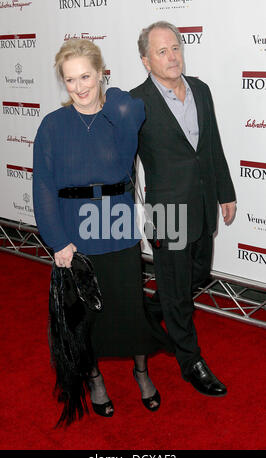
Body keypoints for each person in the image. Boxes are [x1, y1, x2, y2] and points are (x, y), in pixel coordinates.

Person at [33, 38, 161, 421]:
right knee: (83, 317)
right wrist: (58, 241)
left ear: (101, 73)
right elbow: (43, 187)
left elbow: (134, 108)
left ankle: (141, 371)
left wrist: (112, 92)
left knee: (130, 309)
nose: (79, 87)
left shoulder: (119, 115)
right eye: (70, 80)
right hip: (74, 236)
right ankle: (94, 378)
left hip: (119, 229)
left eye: (86, 76)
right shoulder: (52, 126)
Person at [130, 21, 236, 397]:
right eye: (161, 51)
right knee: (177, 293)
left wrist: (226, 192)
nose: (172, 56)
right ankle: (190, 361)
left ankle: (148, 316)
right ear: (146, 60)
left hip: (204, 205)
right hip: (166, 213)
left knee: (194, 277)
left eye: (175, 47)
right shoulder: (134, 103)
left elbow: (212, 146)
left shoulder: (201, 90)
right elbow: (126, 164)